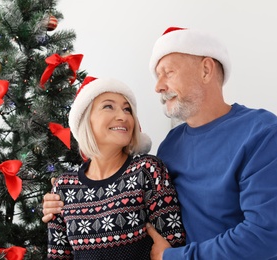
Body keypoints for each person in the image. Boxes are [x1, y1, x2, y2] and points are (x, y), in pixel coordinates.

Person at [43, 27, 277, 259]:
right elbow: (127, 192)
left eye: (168, 73)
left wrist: (173, 257)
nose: (158, 86)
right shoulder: (171, 146)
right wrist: (62, 199)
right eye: (157, 76)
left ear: (206, 70)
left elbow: (263, 236)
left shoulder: (259, 131)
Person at [46, 76, 185, 259]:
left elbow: (173, 245)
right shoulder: (64, 186)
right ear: (85, 119)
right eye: (108, 106)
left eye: (127, 109)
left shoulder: (147, 170)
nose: (123, 116)